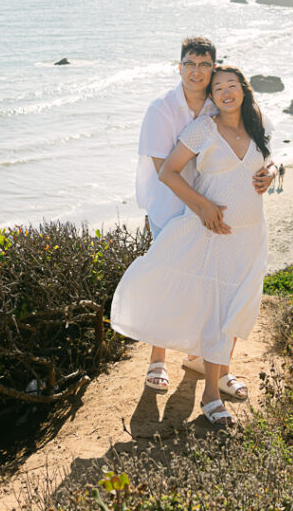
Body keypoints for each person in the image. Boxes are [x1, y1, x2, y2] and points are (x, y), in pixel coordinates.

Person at [111, 66, 277, 427]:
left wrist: (274, 172)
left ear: (244, 91)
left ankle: (213, 373)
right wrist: (202, 206)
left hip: (251, 235)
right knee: (216, 307)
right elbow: (168, 171)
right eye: (218, 88)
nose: (225, 91)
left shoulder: (257, 124)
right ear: (212, 97)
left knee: (236, 309)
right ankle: (210, 395)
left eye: (232, 85)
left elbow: (269, 161)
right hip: (214, 234)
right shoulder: (203, 128)